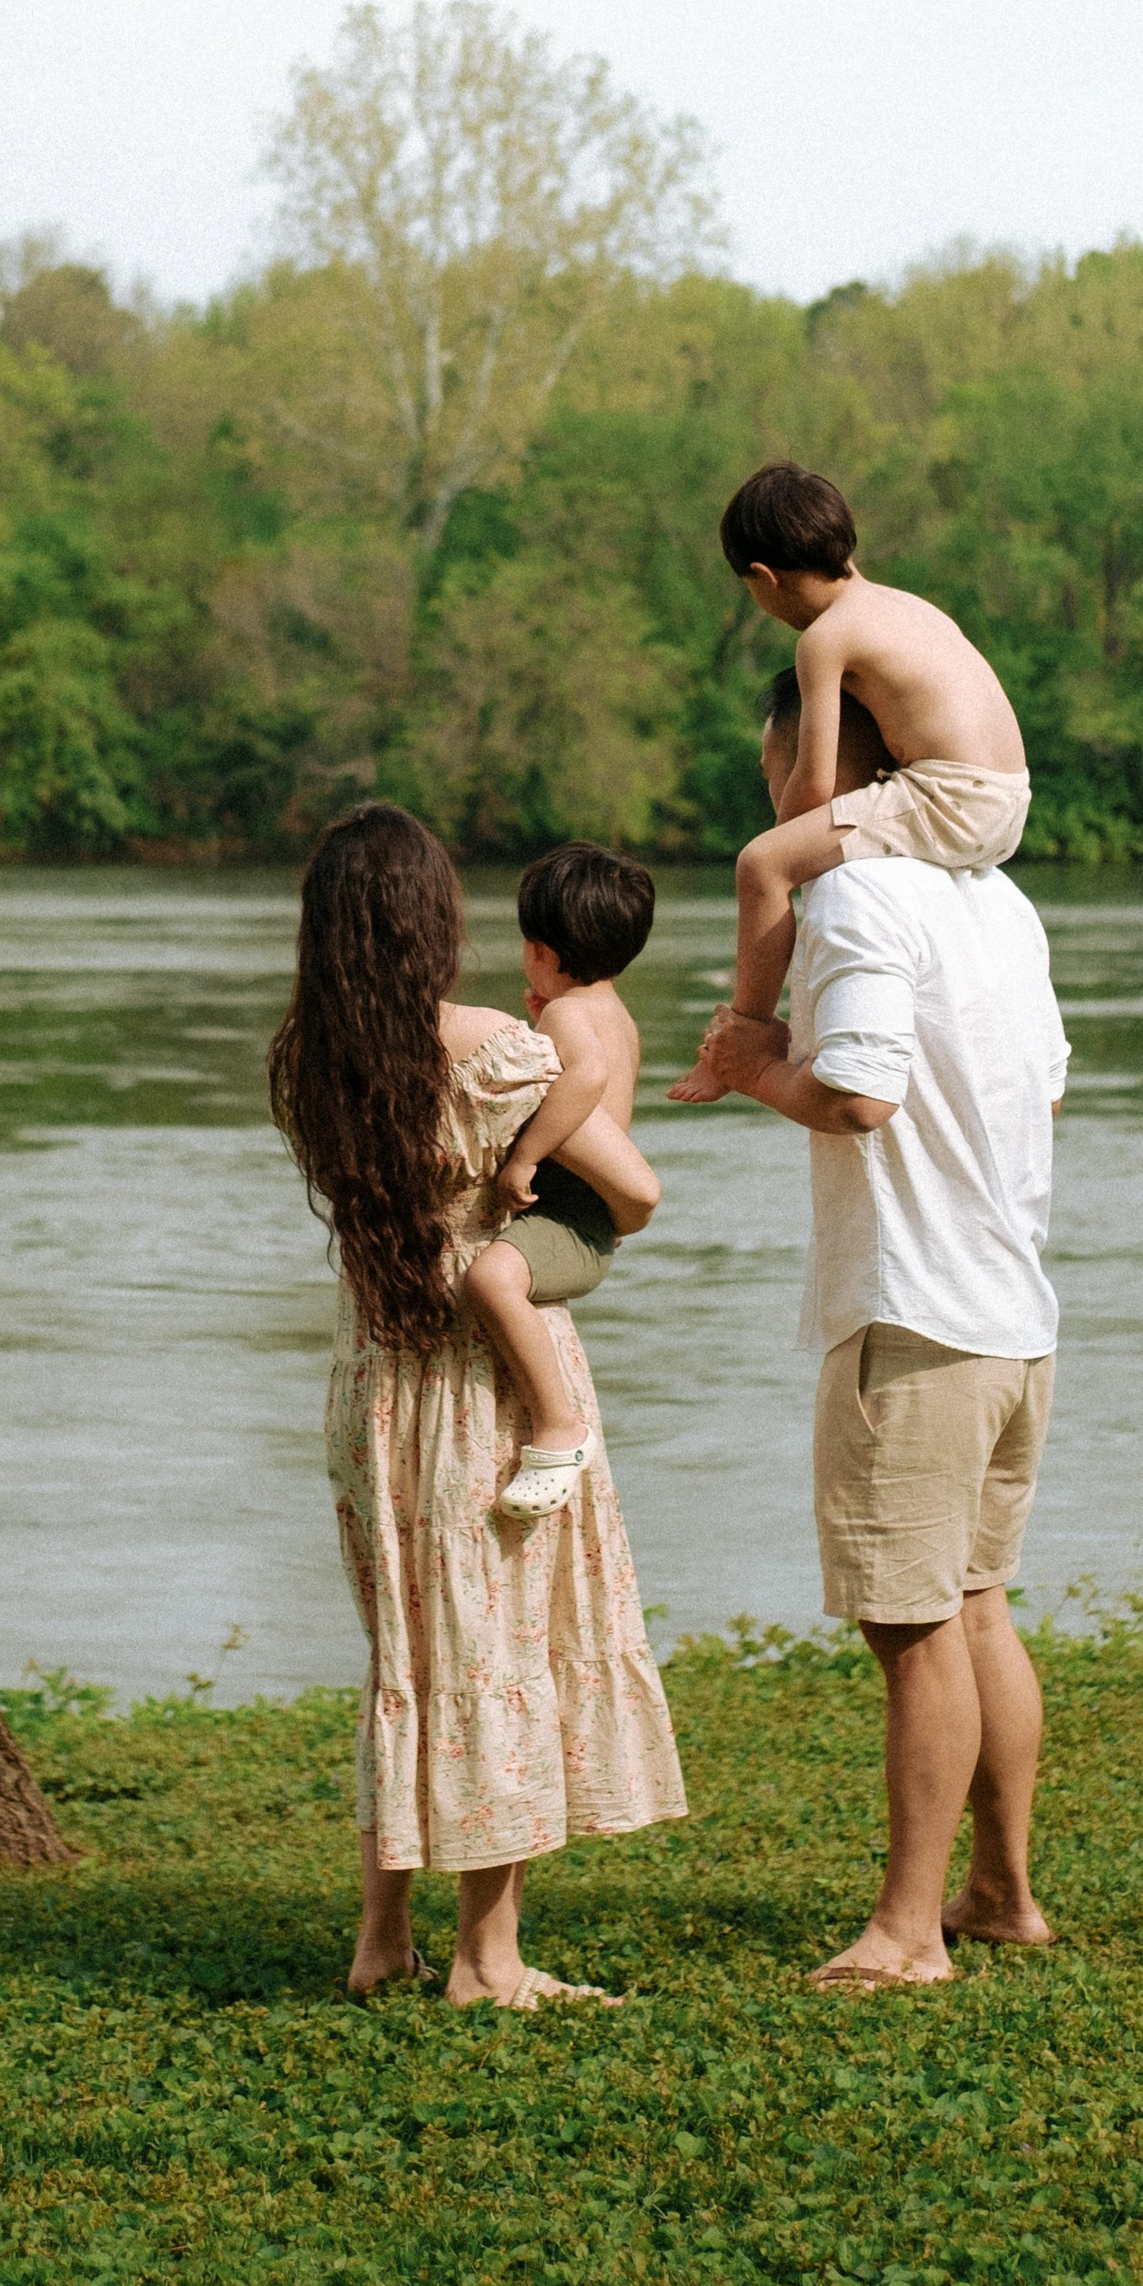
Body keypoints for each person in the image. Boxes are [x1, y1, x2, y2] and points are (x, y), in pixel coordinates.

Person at [671, 673, 1067, 1987]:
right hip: (1014, 1320)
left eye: (778, 765)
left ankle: (907, 1933)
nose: (772, 794)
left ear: (833, 765)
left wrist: (746, 1066)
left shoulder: (854, 894)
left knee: (912, 1632)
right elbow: (1044, 1091)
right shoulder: (1002, 906)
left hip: (913, 1315)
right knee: (976, 1608)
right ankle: (1000, 1893)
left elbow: (856, 1097)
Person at [270, 802, 687, 2006]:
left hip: (369, 1386)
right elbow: (635, 1192)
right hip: (479, 1386)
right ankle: (488, 1961)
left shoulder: (308, 1056)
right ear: (431, 924)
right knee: (493, 1652)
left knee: (410, 1657)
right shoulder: (493, 1047)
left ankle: (378, 1941)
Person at [667, 463, 1031, 1099]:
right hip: (1009, 800)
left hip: (953, 798)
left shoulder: (825, 637)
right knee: (779, 861)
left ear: (763, 578)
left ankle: (744, 1032)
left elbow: (815, 777)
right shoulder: (907, 605)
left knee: (759, 865)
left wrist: (785, 851)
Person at [461, 840, 663, 1520]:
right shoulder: (613, 1013)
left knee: (489, 1278)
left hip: (573, 1220)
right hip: (587, 1220)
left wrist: (521, 1160)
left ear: (542, 950)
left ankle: (558, 1426)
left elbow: (587, 1079)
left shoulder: (567, 1014)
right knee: (495, 1276)